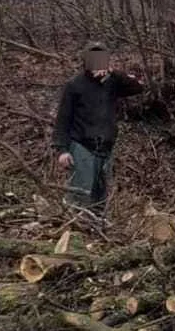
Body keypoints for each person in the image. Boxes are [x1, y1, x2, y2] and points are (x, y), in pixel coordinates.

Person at [52, 41, 144, 215]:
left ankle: (98, 234)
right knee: (80, 196)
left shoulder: (113, 82)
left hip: (105, 148)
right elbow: (62, 120)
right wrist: (62, 150)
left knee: (100, 197)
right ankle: (77, 232)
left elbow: (137, 87)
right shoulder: (74, 85)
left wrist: (113, 72)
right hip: (82, 147)